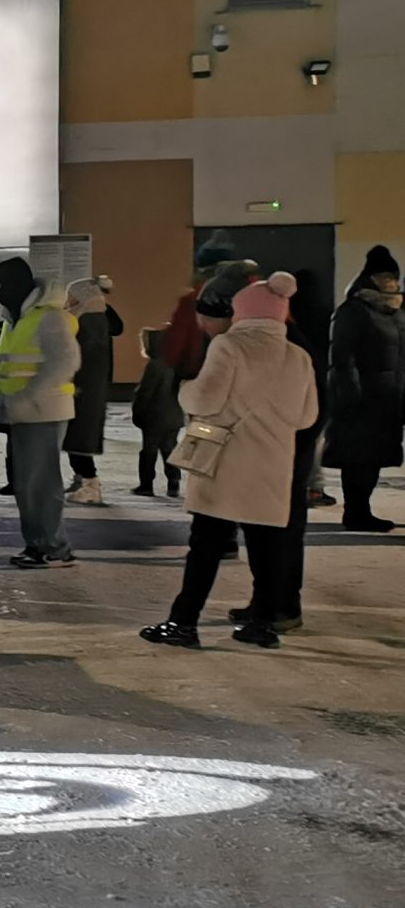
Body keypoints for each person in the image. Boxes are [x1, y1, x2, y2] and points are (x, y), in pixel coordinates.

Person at [141, 274, 318, 650]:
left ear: (242, 312)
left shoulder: (229, 346)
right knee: (267, 548)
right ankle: (261, 625)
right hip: (273, 465)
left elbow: (205, 400)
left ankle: (183, 623)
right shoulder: (298, 356)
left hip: (227, 463)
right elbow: (307, 417)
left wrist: (186, 390)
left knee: (205, 546)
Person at [0, 257, 80, 568]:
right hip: (22, 412)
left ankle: (53, 547)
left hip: (43, 411)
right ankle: (38, 544)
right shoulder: (16, 319)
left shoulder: (49, 318)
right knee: (27, 484)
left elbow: (65, 362)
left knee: (41, 483)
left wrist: (28, 395)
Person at [324, 245, 403, 533]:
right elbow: (342, 358)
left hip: (390, 398)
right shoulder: (353, 310)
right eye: (382, 276)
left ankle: (361, 510)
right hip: (361, 399)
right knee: (358, 459)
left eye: (392, 276)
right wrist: (350, 396)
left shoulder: (398, 311)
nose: (389, 282)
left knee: (374, 458)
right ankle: (356, 512)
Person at [63, 277, 121, 506]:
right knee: (79, 437)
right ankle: (84, 480)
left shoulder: (86, 321)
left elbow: (81, 357)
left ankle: (89, 484)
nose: (68, 301)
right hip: (89, 388)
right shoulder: (98, 317)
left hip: (81, 389)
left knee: (79, 436)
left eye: (71, 296)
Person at [130, 330, 184, 499]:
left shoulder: (154, 366)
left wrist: (138, 412)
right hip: (174, 414)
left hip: (154, 416)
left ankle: (146, 485)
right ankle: (173, 483)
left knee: (149, 451)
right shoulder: (178, 364)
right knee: (170, 449)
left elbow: (145, 393)